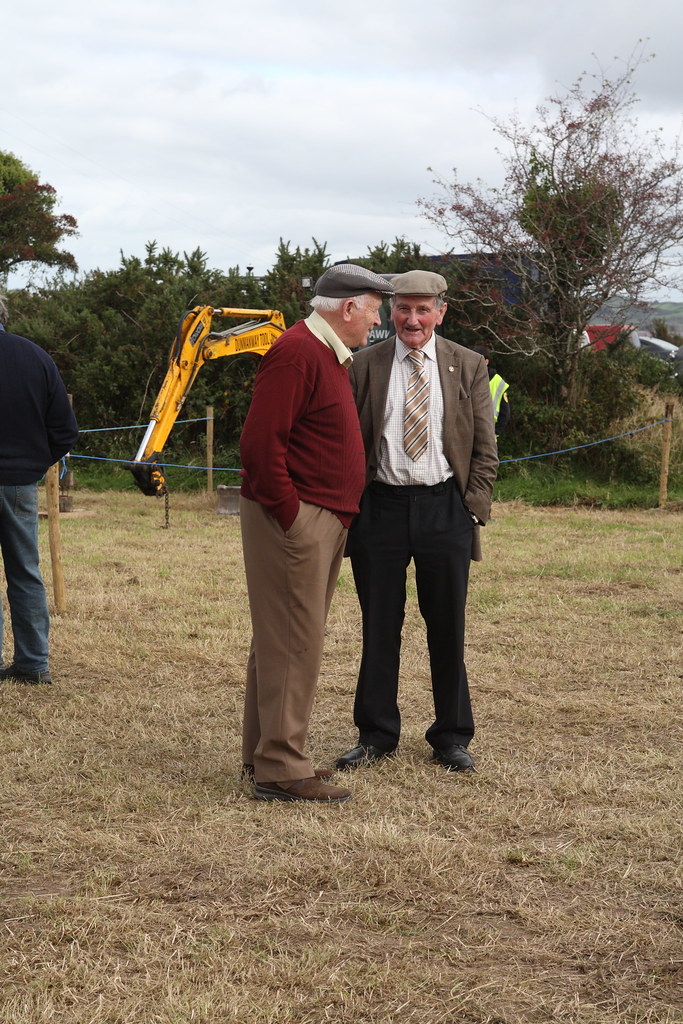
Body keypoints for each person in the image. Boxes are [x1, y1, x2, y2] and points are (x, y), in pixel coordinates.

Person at [239, 264, 395, 803]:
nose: (379, 320)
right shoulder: (297, 351)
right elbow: (260, 446)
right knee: (294, 641)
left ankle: (266, 756)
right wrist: (292, 516)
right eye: (375, 308)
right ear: (348, 308)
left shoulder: (323, 353)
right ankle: (282, 769)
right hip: (297, 520)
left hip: (317, 517)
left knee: (282, 638)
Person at [336, 270, 498, 774]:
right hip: (379, 511)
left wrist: (472, 505)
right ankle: (376, 734)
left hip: (444, 511)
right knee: (379, 625)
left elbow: (486, 448)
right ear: (390, 311)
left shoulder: (467, 365)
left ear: (440, 312)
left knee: (446, 626)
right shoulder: (362, 365)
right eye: (403, 308)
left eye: (422, 309)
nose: (412, 319)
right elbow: (345, 443)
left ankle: (451, 736)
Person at [0, 295, 79, 685]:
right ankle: (32, 663)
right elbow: (66, 431)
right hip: (19, 485)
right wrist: (32, 464)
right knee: (26, 572)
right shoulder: (35, 358)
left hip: (18, 478)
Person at [471, 344, 510, 437]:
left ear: (486, 362)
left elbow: (505, 413)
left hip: (488, 434)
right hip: (468, 434)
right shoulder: (467, 378)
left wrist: (496, 432)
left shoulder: (498, 382)